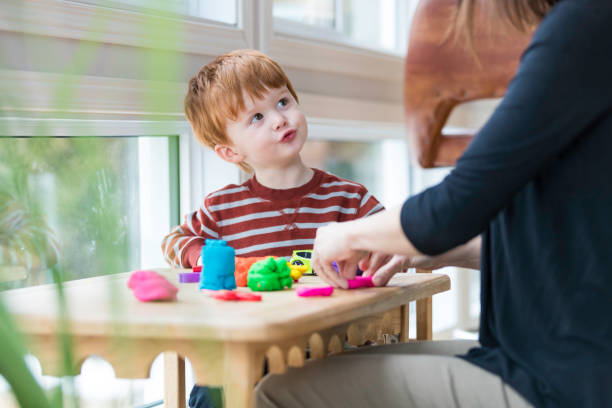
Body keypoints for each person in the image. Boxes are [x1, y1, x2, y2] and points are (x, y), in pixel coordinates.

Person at [255, 0, 612, 407]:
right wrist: (426, 251)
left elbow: (453, 208)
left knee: (276, 393)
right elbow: (567, 241)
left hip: (567, 381)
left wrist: (348, 232)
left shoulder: (586, 22)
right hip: (559, 361)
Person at [161, 49, 408, 408]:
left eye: (283, 101)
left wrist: (376, 255)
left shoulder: (348, 198)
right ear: (229, 152)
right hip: (253, 348)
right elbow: (173, 240)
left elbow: (393, 236)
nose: (279, 119)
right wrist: (203, 257)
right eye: (257, 117)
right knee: (210, 390)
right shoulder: (222, 206)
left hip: (335, 347)